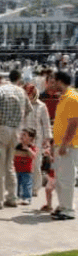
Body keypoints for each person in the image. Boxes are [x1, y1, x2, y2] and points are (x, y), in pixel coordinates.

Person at [0, 70, 32, 209]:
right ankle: (12, 197)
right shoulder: (20, 91)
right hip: (16, 130)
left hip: (1, 129)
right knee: (10, 165)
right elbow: (29, 110)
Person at [48, 70, 78, 220]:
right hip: (60, 144)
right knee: (60, 178)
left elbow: (74, 124)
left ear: (60, 81)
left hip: (69, 146)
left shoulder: (72, 98)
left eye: (54, 81)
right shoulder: (64, 98)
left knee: (66, 178)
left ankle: (68, 209)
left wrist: (65, 144)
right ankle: (62, 205)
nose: (52, 84)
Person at [21, 83, 51, 198]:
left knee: (36, 163)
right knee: (22, 163)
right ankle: (23, 187)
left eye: (31, 95)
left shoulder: (41, 106)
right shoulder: (21, 105)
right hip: (23, 138)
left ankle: (35, 188)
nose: (29, 97)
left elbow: (46, 124)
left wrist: (47, 139)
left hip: (37, 139)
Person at [14, 128, 37, 205]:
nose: (21, 136)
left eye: (24, 135)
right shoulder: (18, 146)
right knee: (17, 184)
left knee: (26, 184)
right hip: (17, 169)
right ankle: (17, 197)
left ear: (30, 138)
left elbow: (33, 156)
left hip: (27, 170)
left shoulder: (32, 147)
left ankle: (27, 198)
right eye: (21, 134)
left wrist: (28, 149)